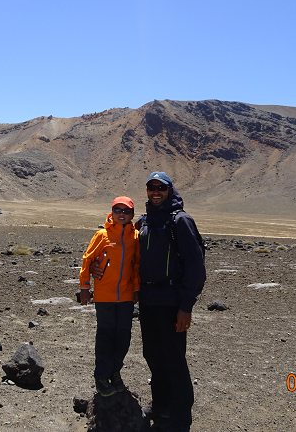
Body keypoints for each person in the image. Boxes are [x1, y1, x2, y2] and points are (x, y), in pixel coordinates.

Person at [91, 172, 206, 431]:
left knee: (174, 358)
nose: (156, 192)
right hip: (148, 300)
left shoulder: (180, 221)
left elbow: (196, 267)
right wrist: (96, 266)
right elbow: (120, 247)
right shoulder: (143, 222)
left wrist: (186, 306)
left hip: (172, 301)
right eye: (151, 187)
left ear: (169, 190)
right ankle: (161, 406)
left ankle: (180, 418)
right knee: (153, 355)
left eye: (161, 187)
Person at [79, 196, 140, 397]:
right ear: (111, 213)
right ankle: (101, 377)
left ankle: (115, 372)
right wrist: (85, 287)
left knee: (123, 336)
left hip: (126, 296)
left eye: (126, 211)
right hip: (104, 295)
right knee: (106, 336)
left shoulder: (135, 237)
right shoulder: (102, 235)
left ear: (132, 214)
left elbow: (136, 265)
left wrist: (136, 289)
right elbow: (87, 260)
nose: (122, 214)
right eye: (117, 210)